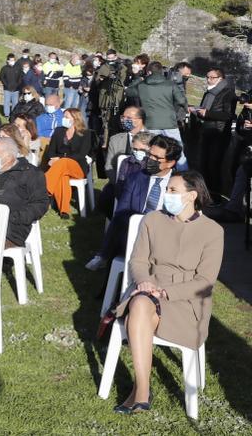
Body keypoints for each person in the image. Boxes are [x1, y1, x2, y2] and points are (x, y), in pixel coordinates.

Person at [111, 171, 222, 415]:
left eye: (173, 190)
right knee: (140, 304)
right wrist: (146, 283)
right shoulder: (152, 219)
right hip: (147, 289)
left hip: (185, 301)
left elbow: (205, 282)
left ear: (191, 196)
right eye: (167, 189)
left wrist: (165, 292)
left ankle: (139, 393)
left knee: (138, 312)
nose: (166, 194)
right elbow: (138, 261)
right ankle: (142, 390)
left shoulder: (212, 231)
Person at [86, 135, 181, 270]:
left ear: (171, 163)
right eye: (150, 155)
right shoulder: (135, 179)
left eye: (157, 158)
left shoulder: (181, 184)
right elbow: (121, 214)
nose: (150, 160)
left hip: (166, 239)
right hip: (136, 234)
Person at [0, 136, 49, 248]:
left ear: (9, 157)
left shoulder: (30, 174)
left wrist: (14, 217)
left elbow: (41, 204)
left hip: (11, 229)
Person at [189, 67, 236, 195]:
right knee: (203, 164)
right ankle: (205, 193)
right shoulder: (208, 92)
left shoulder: (228, 93)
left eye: (212, 77)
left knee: (214, 166)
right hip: (206, 132)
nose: (209, 80)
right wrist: (195, 111)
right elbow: (204, 111)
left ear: (220, 79)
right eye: (207, 77)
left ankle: (216, 196)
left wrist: (208, 113)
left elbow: (228, 115)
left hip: (218, 133)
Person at [41, 107, 91, 218]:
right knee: (63, 177)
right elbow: (51, 152)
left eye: (66, 117)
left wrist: (61, 158)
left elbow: (81, 155)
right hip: (60, 167)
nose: (64, 119)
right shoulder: (59, 131)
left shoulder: (85, 133)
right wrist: (57, 159)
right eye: (64, 117)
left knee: (63, 162)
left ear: (75, 118)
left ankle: (43, 188)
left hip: (77, 167)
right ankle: (64, 210)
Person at [0, 53, 24, 117]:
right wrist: (6, 85)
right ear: (7, 60)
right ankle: (7, 115)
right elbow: (2, 77)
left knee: (15, 103)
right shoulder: (4, 68)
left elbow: (20, 77)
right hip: (7, 89)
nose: (12, 61)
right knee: (6, 102)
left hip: (16, 89)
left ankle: (13, 114)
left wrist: (17, 85)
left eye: (13, 60)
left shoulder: (18, 68)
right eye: (11, 60)